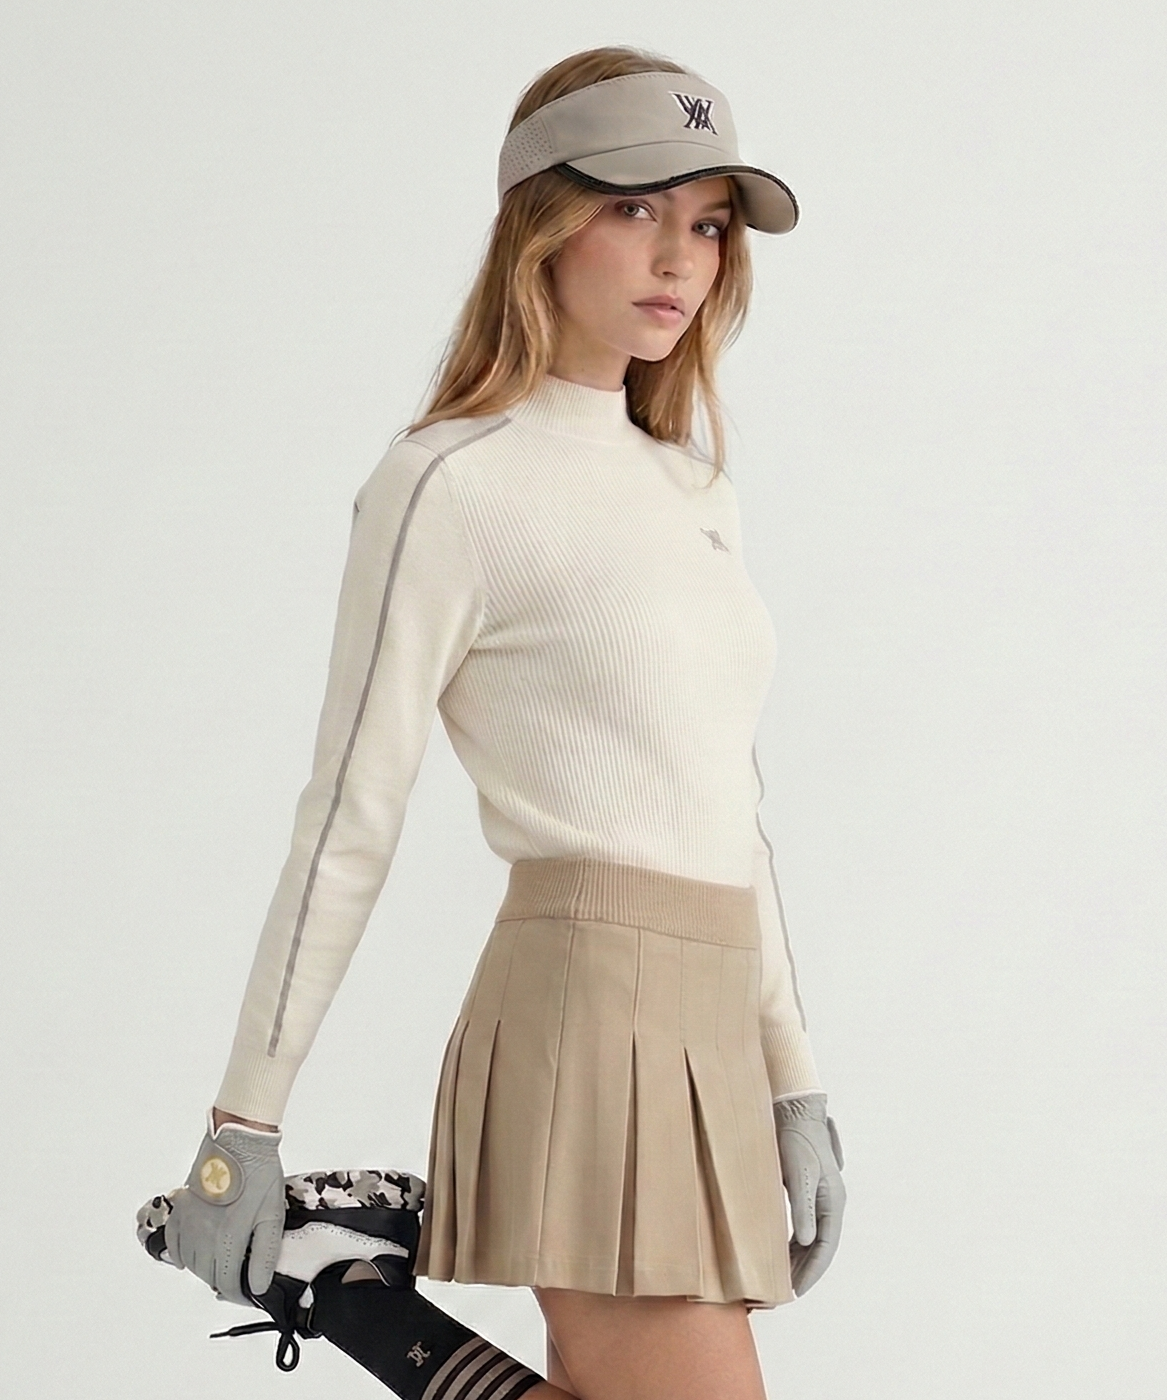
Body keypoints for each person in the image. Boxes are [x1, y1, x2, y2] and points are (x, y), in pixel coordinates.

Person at [160, 45, 846, 1400]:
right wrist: (245, 1128)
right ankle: (337, 1285)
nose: (680, 257)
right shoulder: (448, 483)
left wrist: (792, 1078)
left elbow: (729, 806)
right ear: (541, 218)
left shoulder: (693, 491)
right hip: (588, 1010)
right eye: (634, 207)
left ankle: (350, 1294)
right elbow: (349, 818)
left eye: (709, 222)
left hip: (709, 1015)